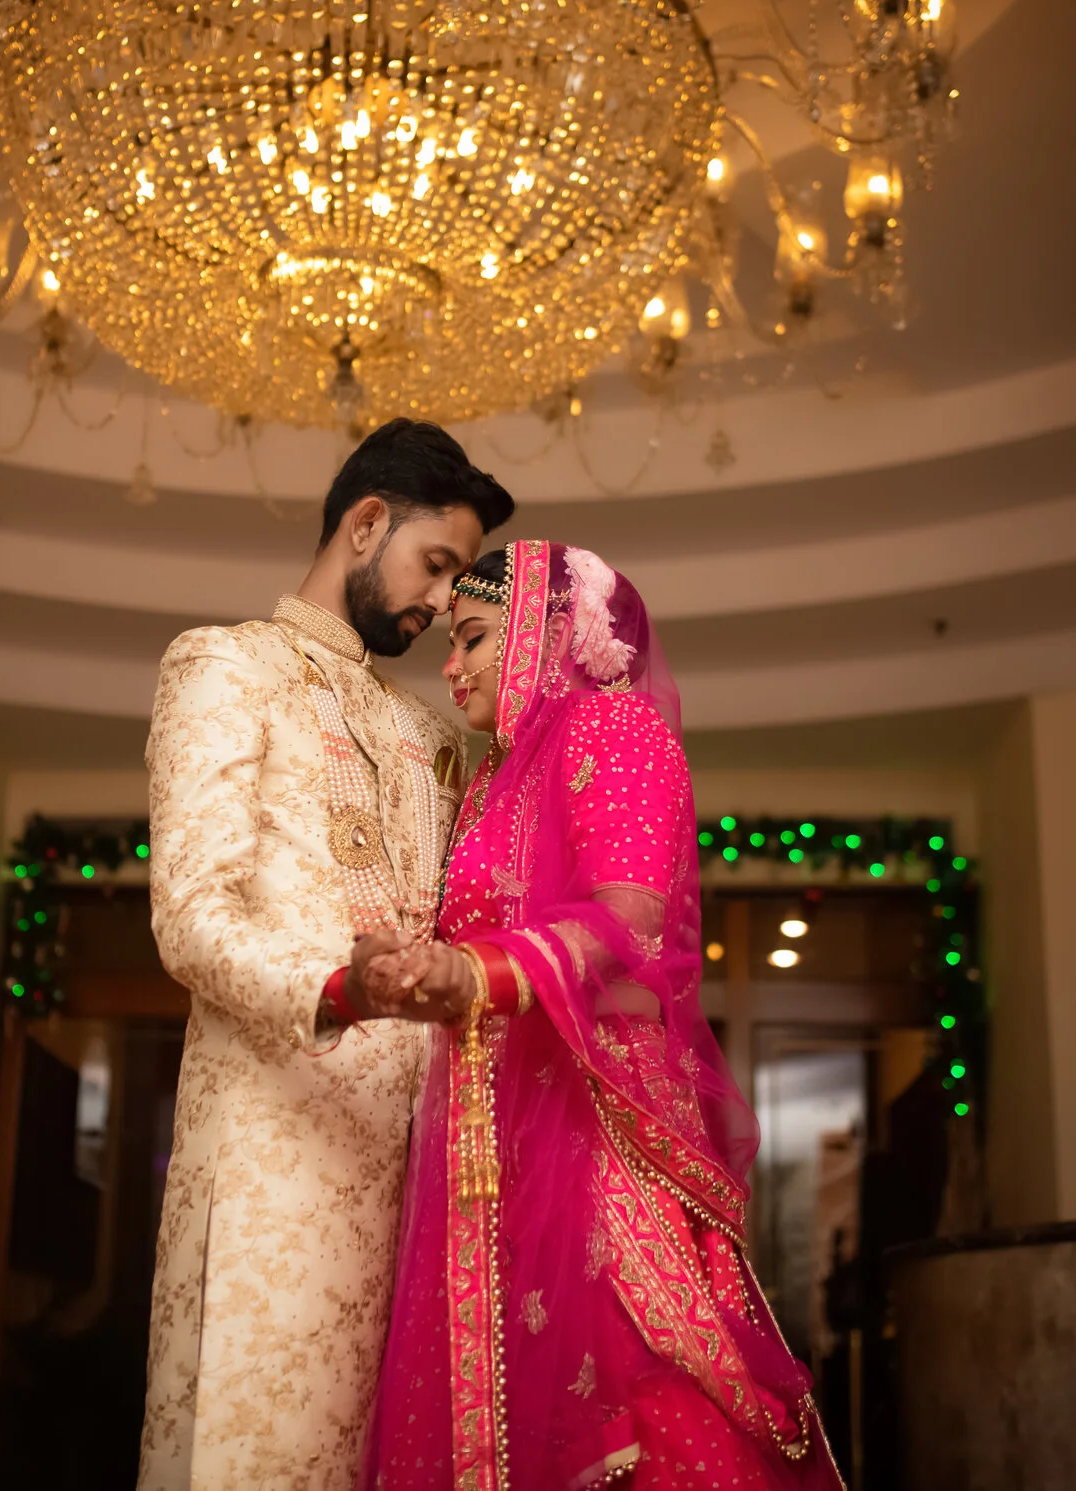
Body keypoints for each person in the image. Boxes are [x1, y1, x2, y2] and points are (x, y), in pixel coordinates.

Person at [358, 540, 846, 1490]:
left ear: (548, 631)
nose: (448, 666)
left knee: (643, 1400)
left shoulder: (612, 728)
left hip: (593, 1132)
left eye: (470, 638)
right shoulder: (490, 783)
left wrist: (476, 978)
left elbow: (628, 922)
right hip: (486, 1143)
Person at [137, 419, 515, 1491]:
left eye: (457, 582)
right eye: (435, 562)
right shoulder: (225, 664)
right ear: (362, 524)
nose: (443, 600)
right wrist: (337, 984)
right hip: (271, 1160)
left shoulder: (432, 734)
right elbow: (192, 919)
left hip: (416, 1177)